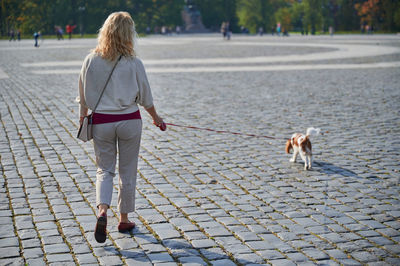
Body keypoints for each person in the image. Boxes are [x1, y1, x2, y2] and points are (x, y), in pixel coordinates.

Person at [77, 11, 164, 243]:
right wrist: (156, 118)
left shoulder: (90, 60)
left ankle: (102, 211)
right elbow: (146, 98)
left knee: (104, 170)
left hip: (102, 122)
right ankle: (124, 219)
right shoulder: (134, 63)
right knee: (127, 171)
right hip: (129, 121)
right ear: (129, 35)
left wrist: (82, 119)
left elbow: (83, 97)